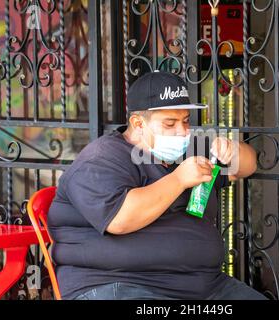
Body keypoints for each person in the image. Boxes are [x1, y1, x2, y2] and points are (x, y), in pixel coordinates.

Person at [47, 71, 267, 300]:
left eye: (185, 121)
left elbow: (246, 166)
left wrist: (233, 150)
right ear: (138, 123)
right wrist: (179, 179)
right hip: (118, 284)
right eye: (170, 123)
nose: (182, 131)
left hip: (205, 287)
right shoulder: (100, 159)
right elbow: (120, 220)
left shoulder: (187, 148)